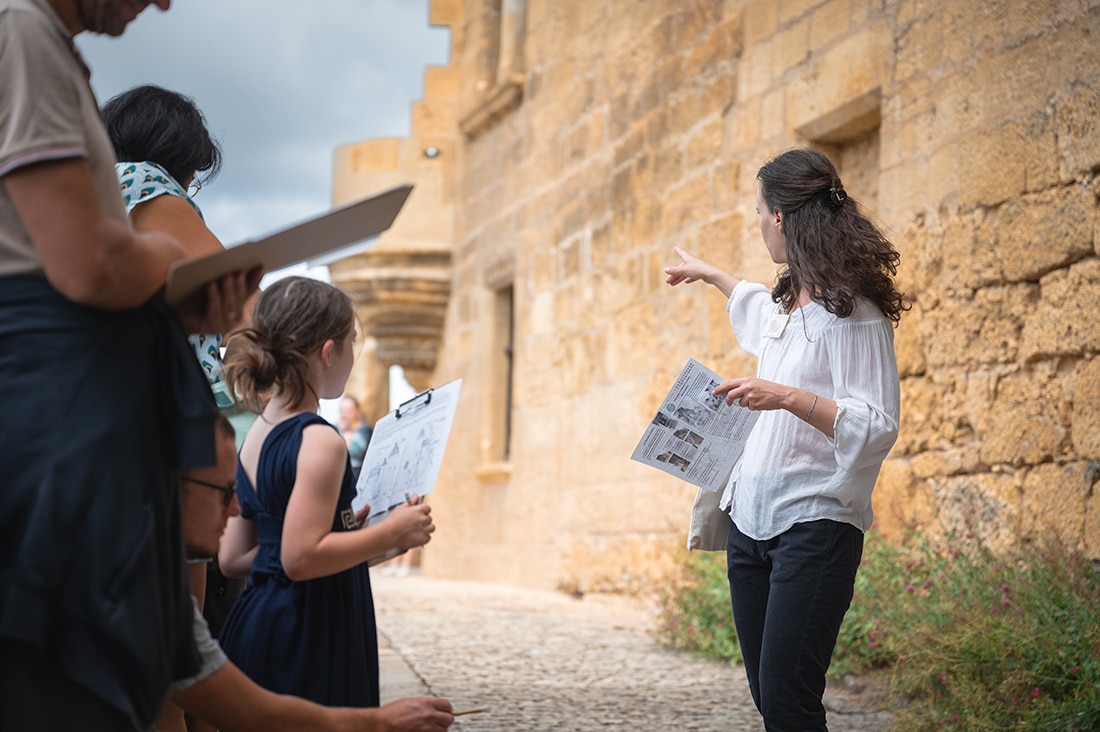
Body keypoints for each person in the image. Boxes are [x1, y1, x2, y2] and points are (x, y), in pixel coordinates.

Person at [0, 1, 256, 730]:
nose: (165, 3)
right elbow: (91, 268)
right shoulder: (24, 32)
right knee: (144, 658)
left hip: (71, 416)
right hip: (85, 434)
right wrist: (172, 260)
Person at [664, 147, 907, 731]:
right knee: (769, 696)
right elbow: (760, 317)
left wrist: (786, 397)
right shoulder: (788, 302)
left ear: (779, 218)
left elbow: (877, 425)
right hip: (750, 525)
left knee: (789, 699)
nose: (757, 223)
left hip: (815, 526)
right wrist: (713, 276)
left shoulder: (856, 315)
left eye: (757, 211)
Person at [101, 85, 252, 727]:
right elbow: (233, 291)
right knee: (175, 652)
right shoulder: (142, 180)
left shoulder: (80, 189)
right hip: (159, 438)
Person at [217, 276, 437, 708]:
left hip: (259, 626)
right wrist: (393, 531)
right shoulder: (321, 440)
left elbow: (233, 558)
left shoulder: (256, 435)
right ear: (329, 351)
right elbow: (301, 559)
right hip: (307, 633)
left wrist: (355, 534)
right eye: (352, 342)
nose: (353, 356)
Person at [165, 413, 455, 732]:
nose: (236, 507)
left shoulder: (163, 598)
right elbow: (253, 713)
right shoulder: (139, 599)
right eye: (223, 490)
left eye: (237, 489)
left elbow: (215, 708)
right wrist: (382, 721)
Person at [340, 394, 374, 479]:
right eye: (343, 410)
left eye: (348, 410)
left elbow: (361, 451)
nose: (345, 414)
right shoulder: (335, 429)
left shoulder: (365, 430)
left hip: (359, 473)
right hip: (339, 473)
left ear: (356, 411)